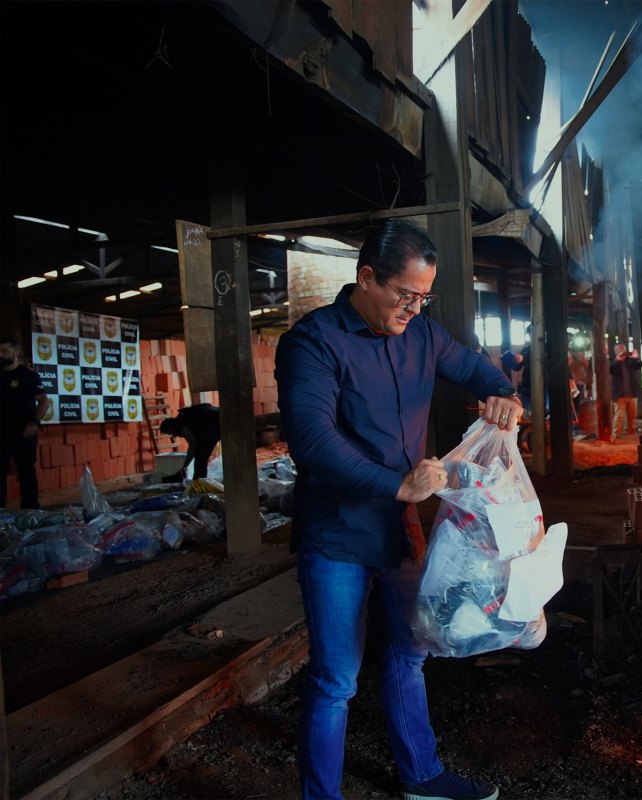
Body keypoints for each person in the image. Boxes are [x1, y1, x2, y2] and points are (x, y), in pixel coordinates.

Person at [275, 220, 521, 800]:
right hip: (338, 531)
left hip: (402, 528)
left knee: (410, 654)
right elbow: (311, 441)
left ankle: (421, 776)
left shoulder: (424, 337)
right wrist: (397, 485)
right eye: (405, 295)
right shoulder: (313, 342)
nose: (414, 308)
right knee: (336, 677)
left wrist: (504, 396)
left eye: (423, 297)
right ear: (367, 277)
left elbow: (478, 369)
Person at [0, 336, 50, 509]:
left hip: (23, 431)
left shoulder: (28, 375)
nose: (1, 355)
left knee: (26, 473)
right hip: (1, 432)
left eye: (4, 351)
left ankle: (30, 511)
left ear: (16, 352)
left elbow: (43, 400)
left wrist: (35, 423)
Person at [158, 403, 221, 481]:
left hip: (217, 420)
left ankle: (198, 484)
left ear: (170, 427)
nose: (173, 435)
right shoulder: (183, 418)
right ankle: (199, 482)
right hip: (218, 415)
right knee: (200, 454)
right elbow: (193, 446)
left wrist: (184, 466)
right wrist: (185, 466)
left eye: (170, 432)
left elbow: (192, 445)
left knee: (200, 456)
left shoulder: (182, 424)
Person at [609, 343, 642, 437]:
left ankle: (631, 435)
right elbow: (610, 369)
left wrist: (636, 357)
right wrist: (617, 360)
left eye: (623, 348)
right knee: (619, 417)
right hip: (619, 394)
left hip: (632, 393)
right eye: (619, 348)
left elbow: (639, 365)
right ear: (615, 351)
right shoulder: (612, 360)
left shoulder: (630, 360)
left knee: (632, 417)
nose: (622, 350)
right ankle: (617, 435)